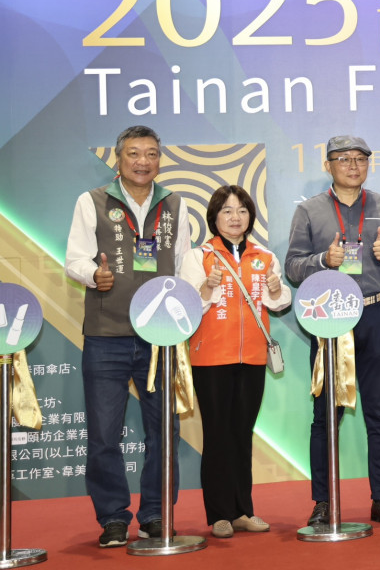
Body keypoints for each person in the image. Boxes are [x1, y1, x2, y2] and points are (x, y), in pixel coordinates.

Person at [65, 125, 190, 548]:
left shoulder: (175, 204)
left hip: (161, 336)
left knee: (164, 431)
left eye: (151, 154)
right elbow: (74, 258)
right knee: (104, 434)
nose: (143, 161)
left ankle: (156, 514)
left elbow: (183, 263)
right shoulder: (92, 200)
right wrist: (93, 274)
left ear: (160, 160)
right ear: (118, 159)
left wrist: (192, 307)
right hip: (107, 334)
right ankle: (113, 518)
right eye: (134, 153)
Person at [285, 135, 380, 527]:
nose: (353, 166)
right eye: (343, 159)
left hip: (376, 313)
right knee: (325, 414)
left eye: (360, 159)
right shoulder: (309, 210)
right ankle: (323, 502)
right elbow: (292, 267)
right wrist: (324, 260)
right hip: (331, 319)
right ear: (328, 165)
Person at [180, 185, 291, 538]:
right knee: (217, 434)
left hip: (253, 357)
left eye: (242, 210)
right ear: (214, 216)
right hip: (211, 357)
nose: (235, 217)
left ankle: (243, 510)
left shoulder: (264, 257)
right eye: (227, 210)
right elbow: (187, 307)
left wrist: (275, 288)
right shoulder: (199, 256)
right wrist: (207, 287)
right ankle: (219, 514)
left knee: (242, 433)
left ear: (250, 217)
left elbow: (280, 302)